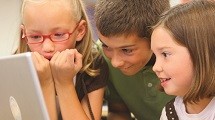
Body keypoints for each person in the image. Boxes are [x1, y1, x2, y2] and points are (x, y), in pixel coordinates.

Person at [16, 0, 108, 120]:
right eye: (35, 37)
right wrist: (46, 83)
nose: (47, 47)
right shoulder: (16, 66)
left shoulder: (93, 64)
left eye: (59, 34)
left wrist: (64, 83)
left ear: (80, 30)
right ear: (24, 34)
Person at [94, 0, 174, 119]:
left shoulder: (190, 56)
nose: (115, 63)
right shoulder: (101, 56)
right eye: (106, 46)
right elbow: (118, 112)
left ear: (156, 36)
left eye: (127, 50)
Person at [151, 1, 215, 119]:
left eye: (165, 54)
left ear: (200, 52)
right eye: (156, 56)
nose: (155, 67)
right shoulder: (169, 113)